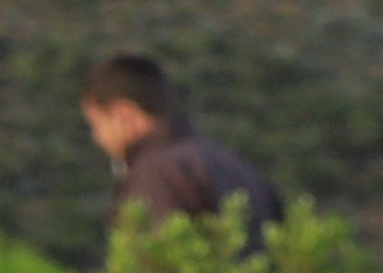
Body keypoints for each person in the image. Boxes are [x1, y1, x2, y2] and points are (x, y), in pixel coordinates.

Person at [80, 51, 283, 246]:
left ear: (124, 115)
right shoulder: (235, 165)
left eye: (97, 124)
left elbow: (158, 263)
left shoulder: (157, 175)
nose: (98, 138)